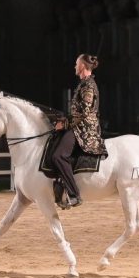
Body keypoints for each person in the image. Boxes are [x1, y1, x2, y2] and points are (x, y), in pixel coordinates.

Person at [53, 54, 106, 209]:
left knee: (59, 156)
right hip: (78, 126)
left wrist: (65, 124)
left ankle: (74, 194)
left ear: (82, 66)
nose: (74, 66)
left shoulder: (88, 85)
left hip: (84, 130)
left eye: (76, 64)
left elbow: (84, 112)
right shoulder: (83, 84)